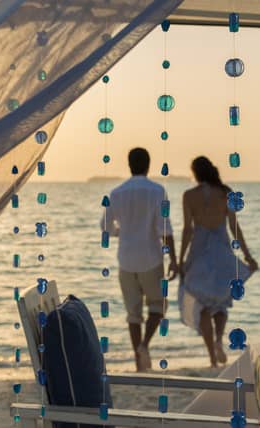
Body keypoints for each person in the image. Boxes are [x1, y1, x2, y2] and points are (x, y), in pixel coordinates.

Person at [178, 156, 258, 368]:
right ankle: (219, 340)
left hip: (199, 250)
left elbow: (187, 229)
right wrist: (247, 255)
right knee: (221, 301)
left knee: (203, 304)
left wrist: (180, 259)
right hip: (221, 249)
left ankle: (212, 358)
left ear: (195, 173)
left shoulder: (189, 195)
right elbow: (234, 227)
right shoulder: (225, 193)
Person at [102, 147, 177, 372]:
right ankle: (144, 345)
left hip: (126, 260)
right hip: (151, 258)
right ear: (148, 164)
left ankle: (138, 360)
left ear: (129, 165)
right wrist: (174, 259)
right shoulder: (157, 191)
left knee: (133, 315)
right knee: (158, 306)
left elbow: (105, 226)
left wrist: (120, 232)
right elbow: (165, 228)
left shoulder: (116, 193)